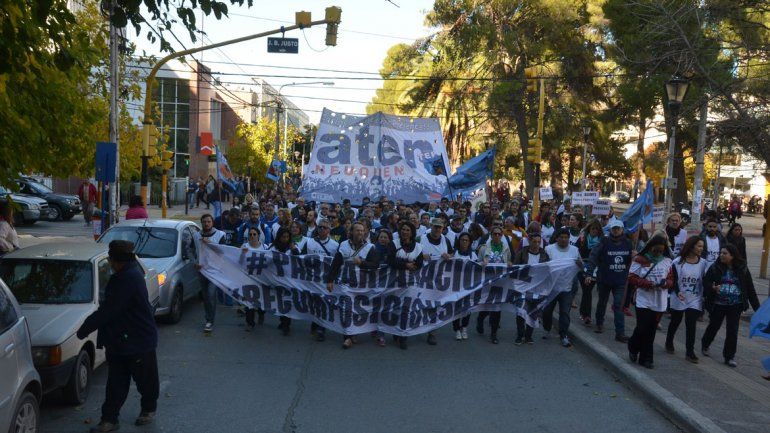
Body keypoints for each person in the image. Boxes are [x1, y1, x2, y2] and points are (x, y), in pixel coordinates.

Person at [76, 241, 159, 432]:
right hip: (120, 341)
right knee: (116, 383)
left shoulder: (127, 278)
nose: (110, 263)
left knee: (146, 380)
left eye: (111, 259)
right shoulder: (125, 274)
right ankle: (109, 419)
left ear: (116, 260)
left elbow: (109, 310)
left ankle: (148, 408)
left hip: (138, 341)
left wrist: (85, 328)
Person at [701, 244, 761, 367]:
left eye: (725, 253)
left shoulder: (742, 268)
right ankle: (705, 344)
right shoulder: (715, 267)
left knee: (732, 331)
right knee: (714, 326)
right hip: (718, 304)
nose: (721, 255)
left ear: (732, 256)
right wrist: (712, 288)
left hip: (735, 304)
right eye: (721, 253)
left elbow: (750, 289)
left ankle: (729, 357)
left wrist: (758, 309)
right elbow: (706, 282)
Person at [325, 222, 380, 349]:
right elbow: (336, 263)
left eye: (362, 231)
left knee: (358, 311)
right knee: (346, 310)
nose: (360, 233)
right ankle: (347, 337)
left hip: (362, 286)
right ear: (351, 232)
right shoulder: (343, 245)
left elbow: (375, 264)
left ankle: (354, 332)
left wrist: (362, 263)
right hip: (346, 284)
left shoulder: (370, 247)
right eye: (357, 230)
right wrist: (330, 280)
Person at [627, 232, 675, 369]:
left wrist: (665, 283)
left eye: (661, 250)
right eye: (655, 250)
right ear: (650, 247)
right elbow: (631, 277)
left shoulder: (667, 261)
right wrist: (648, 284)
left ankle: (646, 358)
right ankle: (633, 346)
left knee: (651, 330)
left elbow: (671, 279)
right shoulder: (640, 260)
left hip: (659, 301)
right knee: (642, 327)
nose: (658, 253)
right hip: (643, 299)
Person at [584, 220, 633, 341]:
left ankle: (620, 333)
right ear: (610, 229)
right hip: (604, 279)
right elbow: (593, 257)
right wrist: (589, 273)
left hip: (620, 281)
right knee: (602, 302)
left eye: (618, 229)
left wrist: (634, 257)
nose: (616, 231)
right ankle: (599, 323)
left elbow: (631, 261)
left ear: (622, 230)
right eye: (614, 228)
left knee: (618, 305)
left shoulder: (628, 243)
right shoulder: (604, 242)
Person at [665, 236, 708, 363]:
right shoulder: (677, 262)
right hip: (679, 297)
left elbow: (706, 280)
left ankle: (690, 352)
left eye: (702, 246)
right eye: (699, 246)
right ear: (691, 246)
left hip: (695, 299)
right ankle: (669, 341)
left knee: (691, 325)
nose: (701, 249)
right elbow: (673, 280)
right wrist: (677, 292)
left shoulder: (703, 263)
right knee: (675, 321)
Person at [543, 228, 584, 347]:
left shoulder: (575, 250)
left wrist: (580, 265)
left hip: (567, 288)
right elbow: (543, 266)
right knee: (546, 312)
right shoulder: (549, 249)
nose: (564, 239)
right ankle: (547, 328)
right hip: (551, 288)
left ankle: (563, 335)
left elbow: (581, 267)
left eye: (566, 237)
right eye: (561, 237)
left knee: (565, 313)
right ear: (557, 238)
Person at [387, 221, 424, 349]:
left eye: (408, 230)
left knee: (406, 309)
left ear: (412, 232)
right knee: (396, 308)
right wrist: (406, 264)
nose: (405, 232)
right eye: (403, 229)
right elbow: (390, 260)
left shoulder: (419, 247)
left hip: (411, 282)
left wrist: (412, 265)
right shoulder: (394, 244)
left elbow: (419, 263)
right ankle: (395, 332)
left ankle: (403, 336)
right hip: (395, 282)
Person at [301, 218, 340, 342]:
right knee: (314, 303)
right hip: (312, 279)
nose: (322, 229)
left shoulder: (335, 245)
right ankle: (315, 323)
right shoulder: (310, 242)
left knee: (324, 303)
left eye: (324, 227)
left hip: (326, 279)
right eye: (320, 227)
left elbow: (338, 263)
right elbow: (301, 258)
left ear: (329, 230)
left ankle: (321, 329)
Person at [420, 218, 454, 346]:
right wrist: (421, 255)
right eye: (435, 227)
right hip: (423, 277)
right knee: (421, 303)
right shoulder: (421, 238)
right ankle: (418, 326)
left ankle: (432, 333)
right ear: (431, 226)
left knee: (434, 304)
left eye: (439, 227)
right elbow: (413, 251)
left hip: (439, 278)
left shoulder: (446, 240)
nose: (437, 229)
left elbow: (452, 253)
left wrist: (449, 256)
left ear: (443, 228)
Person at [512, 230, 549, 345]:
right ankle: (520, 335)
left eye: (539, 242)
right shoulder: (522, 253)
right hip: (523, 287)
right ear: (529, 241)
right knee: (521, 311)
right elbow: (515, 268)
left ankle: (528, 336)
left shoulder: (544, 255)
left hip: (537, 289)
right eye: (534, 242)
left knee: (533, 312)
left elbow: (548, 270)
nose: (536, 244)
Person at [477, 226, 512, 344]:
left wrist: (510, 264)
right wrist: (482, 263)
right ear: (491, 235)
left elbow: (509, 261)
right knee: (487, 305)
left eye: (499, 234)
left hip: (500, 282)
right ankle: (480, 319)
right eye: (495, 234)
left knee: (497, 308)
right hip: (487, 281)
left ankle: (494, 333)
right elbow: (477, 265)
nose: (497, 236)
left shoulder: (506, 248)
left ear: (502, 235)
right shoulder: (483, 248)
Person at [194, 214, 226, 333]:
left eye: (208, 221)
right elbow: (190, 249)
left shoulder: (220, 235)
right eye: (204, 222)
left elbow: (223, 251)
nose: (206, 224)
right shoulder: (196, 235)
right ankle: (208, 317)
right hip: (202, 270)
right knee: (206, 296)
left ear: (212, 222)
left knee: (211, 294)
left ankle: (210, 321)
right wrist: (194, 262)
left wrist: (209, 243)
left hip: (214, 271)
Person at [269, 227, 301, 336]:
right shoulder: (273, 247)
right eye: (283, 237)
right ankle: (282, 321)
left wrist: (293, 249)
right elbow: (266, 259)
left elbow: (300, 259)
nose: (285, 239)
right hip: (276, 279)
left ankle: (287, 324)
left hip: (289, 280)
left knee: (287, 302)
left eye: (287, 237)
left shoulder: (293, 247)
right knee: (279, 302)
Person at [577, 219, 603, 326]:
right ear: (589, 229)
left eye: (597, 229)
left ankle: (585, 314)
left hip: (595, 269)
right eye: (593, 228)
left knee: (587, 291)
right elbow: (576, 251)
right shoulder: (582, 239)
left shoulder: (602, 241)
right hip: (582, 268)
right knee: (586, 290)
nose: (594, 231)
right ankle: (585, 314)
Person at [452, 232, 477, 341]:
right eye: (462, 240)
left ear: (470, 242)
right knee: (457, 307)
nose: (464, 242)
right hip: (456, 285)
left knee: (467, 307)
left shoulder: (473, 255)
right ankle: (457, 329)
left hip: (469, 285)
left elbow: (478, 268)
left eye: (467, 240)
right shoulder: (455, 253)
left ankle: (464, 327)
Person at [240, 227, 266, 331]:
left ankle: (261, 313)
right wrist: (243, 254)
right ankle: (250, 322)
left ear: (258, 235)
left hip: (261, 279)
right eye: (250, 234)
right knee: (249, 302)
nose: (252, 236)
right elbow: (240, 262)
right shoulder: (244, 246)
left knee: (260, 300)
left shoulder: (265, 247)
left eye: (254, 234)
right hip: (248, 278)